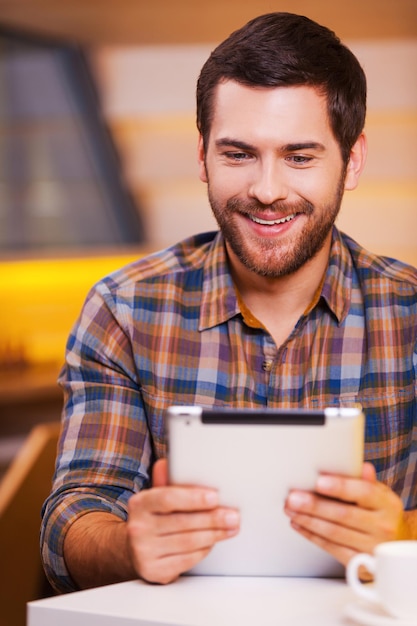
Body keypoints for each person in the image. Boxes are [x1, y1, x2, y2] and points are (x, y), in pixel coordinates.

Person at [41, 12, 417, 593]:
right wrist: (126, 544)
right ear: (202, 156)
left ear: (353, 160)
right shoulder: (122, 309)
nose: (267, 190)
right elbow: (73, 519)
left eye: (299, 156)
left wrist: (400, 537)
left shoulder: (410, 313)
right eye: (238, 154)